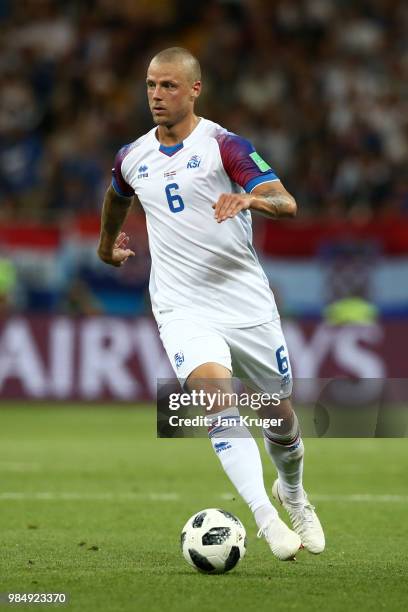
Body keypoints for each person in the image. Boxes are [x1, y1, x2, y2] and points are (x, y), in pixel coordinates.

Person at [97, 47, 324, 561]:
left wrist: (252, 199)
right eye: (152, 85)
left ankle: (292, 493)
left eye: (169, 86)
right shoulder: (132, 155)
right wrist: (105, 243)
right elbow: (118, 193)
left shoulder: (224, 144)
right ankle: (265, 519)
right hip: (180, 304)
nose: (157, 95)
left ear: (194, 89)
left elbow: (287, 201)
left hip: (245, 303)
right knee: (215, 397)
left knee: (280, 420)